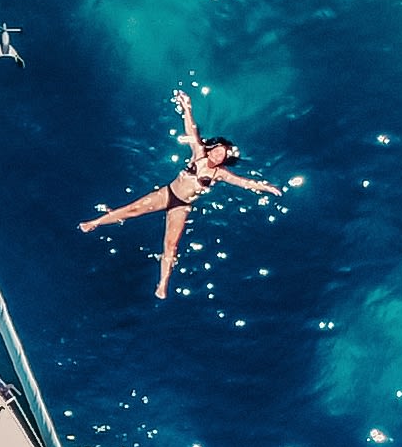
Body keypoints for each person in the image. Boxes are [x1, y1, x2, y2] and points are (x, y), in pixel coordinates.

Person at [79, 88, 283, 297]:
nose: (217, 154)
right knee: (132, 209)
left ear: (223, 159)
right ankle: (95, 222)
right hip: (168, 193)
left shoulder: (219, 174)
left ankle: (163, 283)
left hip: (182, 206)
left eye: (221, 154)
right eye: (217, 149)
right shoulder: (199, 154)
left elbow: (243, 182)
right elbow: (191, 131)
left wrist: (265, 187)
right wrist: (187, 106)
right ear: (212, 148)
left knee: (170, 245)